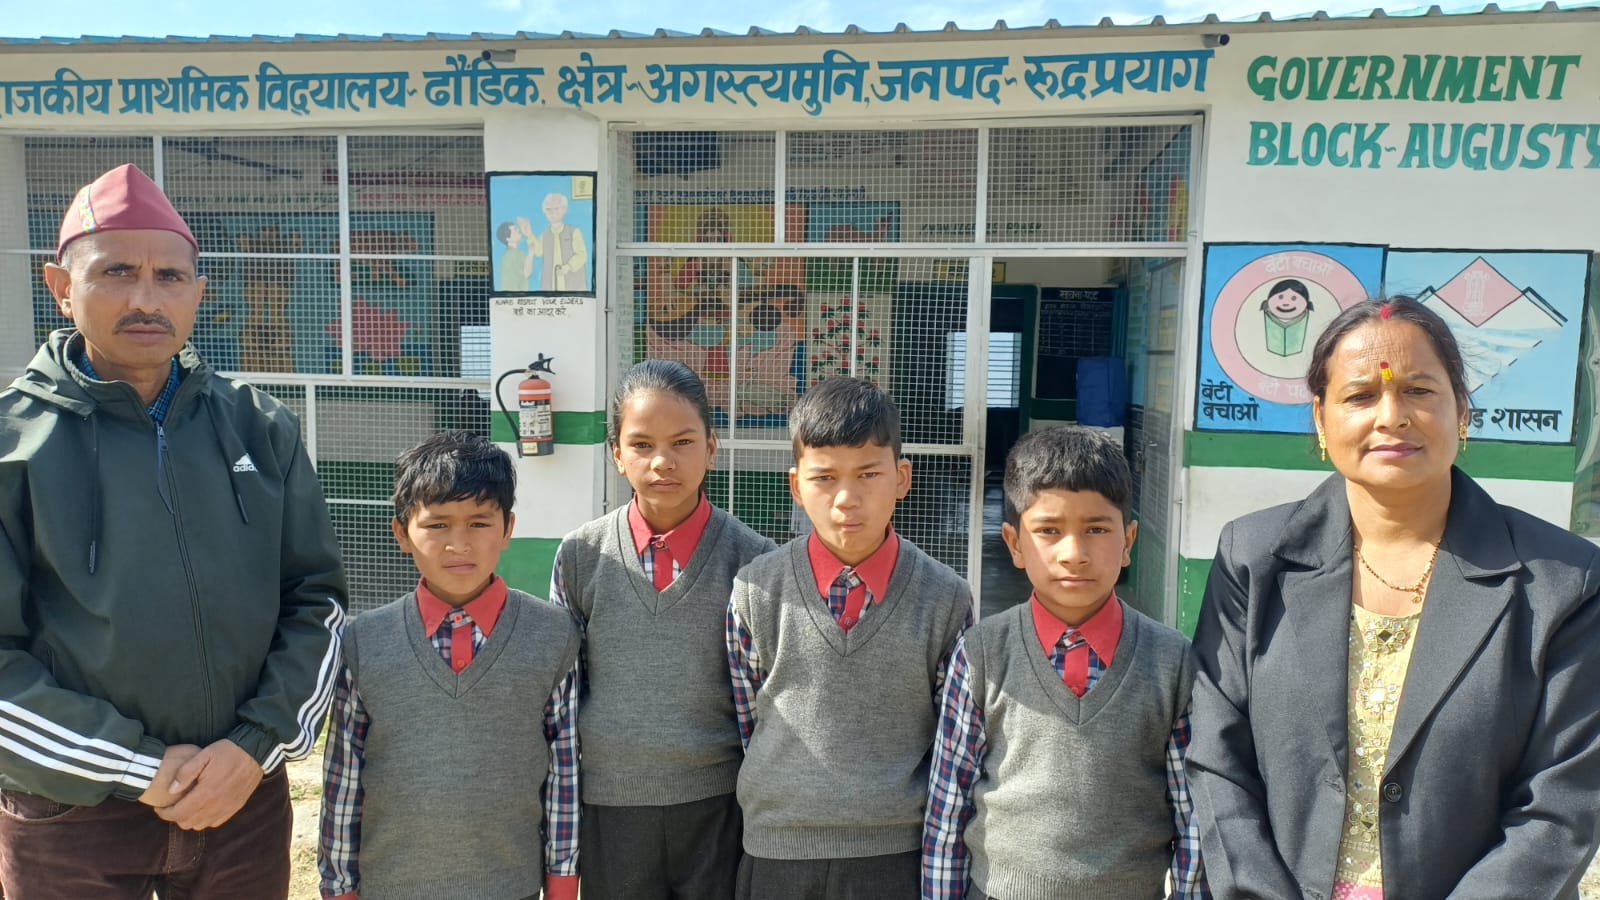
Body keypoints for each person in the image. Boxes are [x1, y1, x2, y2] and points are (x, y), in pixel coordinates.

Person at [0, 163, 347, 897]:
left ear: (199, 292)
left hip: (241, 804)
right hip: (73, 816)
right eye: (117, 272)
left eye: (170, 277)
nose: (146, 299)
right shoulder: (13, 447)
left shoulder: (259, 426)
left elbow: (317, 602)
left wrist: (253, 748)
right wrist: (137, 767)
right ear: (60, 286)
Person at [1187, 296, 1600, 900]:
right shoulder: (1253, 559)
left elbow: (1563, 801)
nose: (1392, 416)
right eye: (1360, 396)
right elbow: (1217, 758)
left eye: (1418, 391)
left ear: (1462, 410)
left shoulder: (1564, 583)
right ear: (1321, 420)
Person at [922, 425, 1207, 900]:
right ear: (1014, 543)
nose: (1074, 554)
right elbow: (948, 806)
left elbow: (1192, 814)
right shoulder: (981, 654)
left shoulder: (1171, 662)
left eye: (1096, 529)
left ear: (1128, 540)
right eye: (1049, 531)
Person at [727, 376, 974, 900]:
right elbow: (748, 720)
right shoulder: (756, 590)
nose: (846, 498)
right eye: (824, 477)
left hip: (894, 856)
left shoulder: (945, 598)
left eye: (868, 474)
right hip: (778, 852)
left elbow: (953, 745)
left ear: (902, 478)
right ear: (796, 486)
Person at [318, 430, 581, 900]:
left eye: (479, 523)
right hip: (392, 887)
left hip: (511, 887)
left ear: (508, 529)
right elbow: (344, 775)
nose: (459, 544)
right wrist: (339, 886)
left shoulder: (553, 635)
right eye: (437, 525)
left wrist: (562, 884)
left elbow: (565, 773)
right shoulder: (364, 641)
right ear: (402, 533)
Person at [550, 360, 775, 900]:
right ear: (616, 454)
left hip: (718, 807)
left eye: (682, 442)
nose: (662, 461)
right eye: (642, 444)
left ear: (711, 448)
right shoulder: (582, 555)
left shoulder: (753, 561)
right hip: (611, 807)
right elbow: (562, 696)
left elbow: (767, 701)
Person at [524, 192, 588, 293]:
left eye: (556, 209)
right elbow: (538, 251)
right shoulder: (545, 234)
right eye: (548, 209)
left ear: (564, 210)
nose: (552, 213)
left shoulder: (574, 232)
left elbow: (582, 255)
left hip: (573, 286)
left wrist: (569, 266)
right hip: (550, 287)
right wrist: (529, 235)